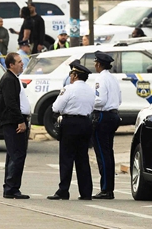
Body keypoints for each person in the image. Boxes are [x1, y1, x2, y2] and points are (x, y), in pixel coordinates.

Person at [49, 61, 95, 201]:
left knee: (66, 158)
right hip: (85, 123)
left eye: (71, 74)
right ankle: (86, 192)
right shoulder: (90, 90)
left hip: (70, 124)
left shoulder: (69, 89)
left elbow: (56, 107)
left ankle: (63, 190)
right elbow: (92, 107)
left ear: (75, 75)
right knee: (82, 158)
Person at [0, 51, 31, 199]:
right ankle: (12, 188)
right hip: (13, 122)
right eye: (19, 62)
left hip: (15, 120)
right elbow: (11, 102)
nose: (22, 63)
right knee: (17, 155)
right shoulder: (8, 79)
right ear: (11, 65)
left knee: (14, 155)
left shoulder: (14, 78)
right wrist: (20, 121)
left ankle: (10, 186)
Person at [91, 51, 121, 200]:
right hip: (114, 115)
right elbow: (119, 99)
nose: (95, 65)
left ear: (99, 64)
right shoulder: (113, 79)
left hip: (102, 115)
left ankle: (106, 189)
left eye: (95, 63)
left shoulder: (100, 79)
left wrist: (90, 102)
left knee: (102, 154)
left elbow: (100, 100)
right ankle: (109, 187)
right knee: (108, 153)